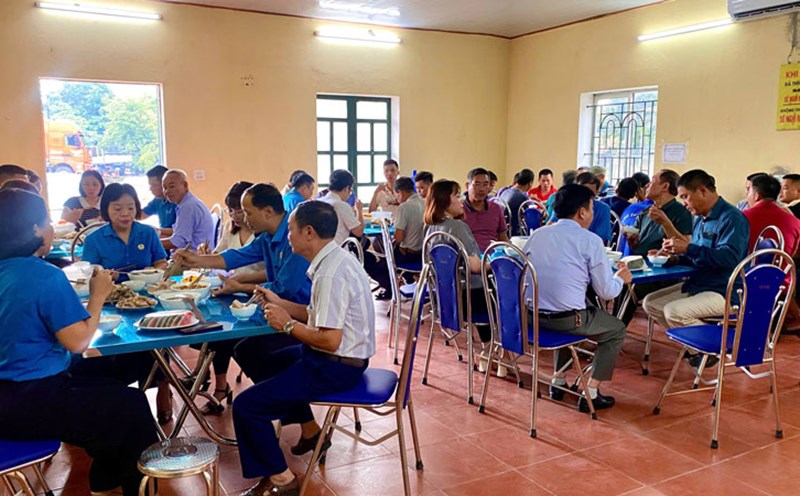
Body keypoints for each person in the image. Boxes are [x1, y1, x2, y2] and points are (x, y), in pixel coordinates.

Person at [0, 189, 158, 495]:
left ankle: (105, 481)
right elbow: (79, 342)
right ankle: (133, 489)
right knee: (132, 407)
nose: (51, 228)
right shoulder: (44, 276)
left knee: (113, 373)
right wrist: (98, 296)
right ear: (34, 229)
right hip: (29, 400)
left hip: (11, 394)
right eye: (46, 221)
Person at [232, 201, 375, 496]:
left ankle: (282, 479)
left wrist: (286, 325)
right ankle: (310, 430)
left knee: (247, 407)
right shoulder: (332, 260)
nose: (288, 236)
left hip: (334, 366)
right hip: (331, 357)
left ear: (308, 232)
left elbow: (329, 339)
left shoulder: (330, 274)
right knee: (253, 353)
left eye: (291, 230)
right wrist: (281, 304)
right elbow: (317, 315)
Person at [173, 184, 312, 391]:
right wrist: (197, 260)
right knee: (224, 336)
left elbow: (285, 289)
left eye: (248, 212)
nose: (245, 219)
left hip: (299, 317)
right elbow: (237, 256)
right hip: (274, 309)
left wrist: (241, 286)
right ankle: (271, 398)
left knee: (244, 347)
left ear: (268, 212)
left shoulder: (294, 238)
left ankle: (282, 399)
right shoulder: (266, 237)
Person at [523, 184, 631, 412]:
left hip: (531, 317)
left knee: (573, 307)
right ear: (582, 212)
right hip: (567, 320)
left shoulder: (538, 235)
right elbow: (606, 292)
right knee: (616, 329)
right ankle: (591, 391)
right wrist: (621, 278)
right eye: (591, 209)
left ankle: (558, 380)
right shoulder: (590, 240)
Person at [643, 170, 749, 366]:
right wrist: (674, 257)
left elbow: (729, 258)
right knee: (651, 303)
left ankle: (710, 351)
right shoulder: (700, 218)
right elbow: (697, 255)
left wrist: (688, 248)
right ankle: (696, 349)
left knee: (674, 311)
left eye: (685, 197)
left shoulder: (732, 218)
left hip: (724, 290)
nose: (684, 203)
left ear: (702, 191)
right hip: (699, 284)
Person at [425, 180, 503, 375]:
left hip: (444, 301)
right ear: (444, 201)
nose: (461, 200)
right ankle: (496, 352)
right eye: (456, 196)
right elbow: (475, 266)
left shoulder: (431, 229)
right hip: (469, 300)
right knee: (505, 294)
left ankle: (493, 353)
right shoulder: (457, 227)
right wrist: (497, 262)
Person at [617, 170, 693, 324]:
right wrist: (632, 241)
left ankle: (616, 328)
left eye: (652, 182)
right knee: (617, 278)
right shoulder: (647, 211)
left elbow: (685, 244)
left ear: (665, 186)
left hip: (664, 271)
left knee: (628, 286)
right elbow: (637, 244)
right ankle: (614, 327)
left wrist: (665, 222)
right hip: (641, 265)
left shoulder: (681, 212)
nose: (647, 186)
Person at [82, 183, 168, 275]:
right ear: (106, 209)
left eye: (130, 208)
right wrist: (104, 276)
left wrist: (154, 271)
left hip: (148, 284)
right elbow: (88, 274)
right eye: (117, 209)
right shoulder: (93, 239)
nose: (125, 213)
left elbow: (161, 262)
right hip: (111, 284)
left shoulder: (149, 233)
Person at [366, 177, 425, 300]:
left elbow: (398, 237)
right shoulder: (425, 202)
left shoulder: (405, 207)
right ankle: (408, 281)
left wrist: (392, 241)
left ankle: (391, 290)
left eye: (397, 195)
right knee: (385, 253)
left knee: (376, 262)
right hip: (423, 254)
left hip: (408, 255)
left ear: (400, 193)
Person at [214, 181, 266, 279]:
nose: (234, 216)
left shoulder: (265, 233)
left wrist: (241, 280)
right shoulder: (230, 227)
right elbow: (219, 255)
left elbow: (272, 272)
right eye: (230, 210)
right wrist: (204, 254)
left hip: (258, 286)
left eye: (239, 211)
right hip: (236, 284)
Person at [161, 169, 216, 252]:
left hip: (194, 258)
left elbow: (178, 242)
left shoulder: (188, 207)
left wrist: (149, 242)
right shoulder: (188, 203)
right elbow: (180, 232)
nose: (167, 191)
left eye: (171, 186)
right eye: (165, 188)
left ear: (185, 186)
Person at [744, 174, 800, 255]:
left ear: (757, 196)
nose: (747, 195)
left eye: (749, 191)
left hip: (747, 263)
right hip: (782, 263)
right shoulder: (795, 221)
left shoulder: (741, 217)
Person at [550, 172, 612, 243]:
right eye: (581, 191)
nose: (585, 196)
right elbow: (551, 224)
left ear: (596, 192)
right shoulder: (565, 203)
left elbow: (601, 238)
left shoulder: (603, 209)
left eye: (590, 193)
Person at [462, 167, 509, 252]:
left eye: (485, 184)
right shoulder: (459, 209)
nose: (481, 189)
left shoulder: (496, 208)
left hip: (493, 254)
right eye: (477, 184)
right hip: (468, 255)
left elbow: (503, 237)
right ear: (467, 186)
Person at [320, 169, 364, 244]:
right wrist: (359, 211)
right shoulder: (341, 205)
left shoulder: (319, 202)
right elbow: (358, 232)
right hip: (338, 248)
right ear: (346, 188)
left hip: (321, 248)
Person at [142, 165, 176, 236]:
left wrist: (155, 230)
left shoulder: (179, 203)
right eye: (150, 185)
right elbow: (141, 215)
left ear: (165, 184)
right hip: (164, 237)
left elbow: (180, 232)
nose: (150, 189)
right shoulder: (157, 200)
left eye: (154, 185)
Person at [500, 168, 534, 236]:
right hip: (515, 232)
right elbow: (529, 216)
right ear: (530, 183)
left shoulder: (505, 192)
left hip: (502, 230)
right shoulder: (522, 198)